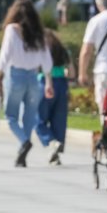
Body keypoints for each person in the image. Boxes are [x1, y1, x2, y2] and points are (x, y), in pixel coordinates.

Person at [0, 0, 54, 167]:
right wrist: (48, 82)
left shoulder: (12, 30)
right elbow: (47, 60)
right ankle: (22, 152)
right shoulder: (40, 33)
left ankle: (24, 142)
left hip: (15, 76)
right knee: (29, 117)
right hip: (33, 77)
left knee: (11, 116)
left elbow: (5, 56)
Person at [78, 0, 107, 113]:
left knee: (105, 108)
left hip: (104, 69)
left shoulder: (96, 21)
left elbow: (87, 50)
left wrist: (82, 73)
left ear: (98, 4)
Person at [36, 29, 75, 165]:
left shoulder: (40, 51)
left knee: (38, 119)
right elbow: (71, 73)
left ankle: (51, 141)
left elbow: (36, 68)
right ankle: (56, 150)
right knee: (59, 120)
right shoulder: (64, 52)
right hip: (61, 85)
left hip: (44, 84)